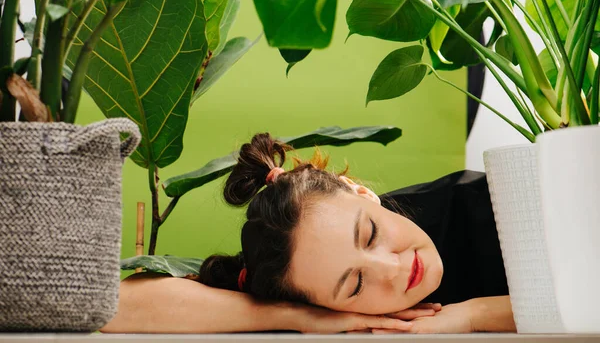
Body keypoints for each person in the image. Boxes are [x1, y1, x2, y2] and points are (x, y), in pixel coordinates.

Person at [102, 133, 515, 334]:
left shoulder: (495, 201)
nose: (392, 268)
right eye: (354, 284)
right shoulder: (305, 287)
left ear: (363, 193)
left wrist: (472, 315)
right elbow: (117, 305)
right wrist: (299, 317)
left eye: (369, 234)